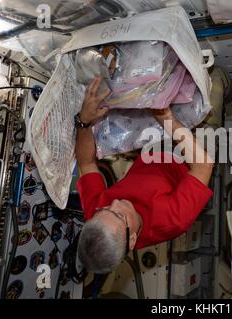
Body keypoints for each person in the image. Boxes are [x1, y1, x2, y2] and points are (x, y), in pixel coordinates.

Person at [75, 77, 214, 274]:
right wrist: (165, 117)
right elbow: (203, 165)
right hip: (187, 158)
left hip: (149, 151)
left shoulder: (99, 218)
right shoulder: (172, 220)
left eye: (105, 207)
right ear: (132, 239)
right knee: (204, 96)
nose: (115, 202)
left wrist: (84, 121)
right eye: (119, 214)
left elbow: (86, 163)